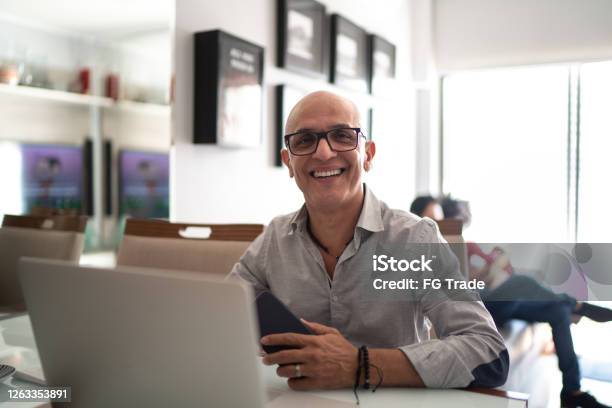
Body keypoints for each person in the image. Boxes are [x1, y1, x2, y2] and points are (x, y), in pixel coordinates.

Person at [229, 91, 508, 393]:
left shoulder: (416, 239)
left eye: (342, 135)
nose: (323, 153)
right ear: (288, 162)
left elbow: (489, 352)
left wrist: (359, 364)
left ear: (368, 155)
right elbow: (221, 319)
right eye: (305, 140)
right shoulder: (274, 240)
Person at [438, 196, 612, 408]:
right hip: (479, 305)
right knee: (522, 281)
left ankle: (572, 391)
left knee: (557, 311)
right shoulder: (434, 246)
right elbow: (456, 289)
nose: (467, 215)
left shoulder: (469, 245)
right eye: (462, 211)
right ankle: (576, 304)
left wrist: (495, 266)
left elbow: (491, 276)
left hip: (495, 298)